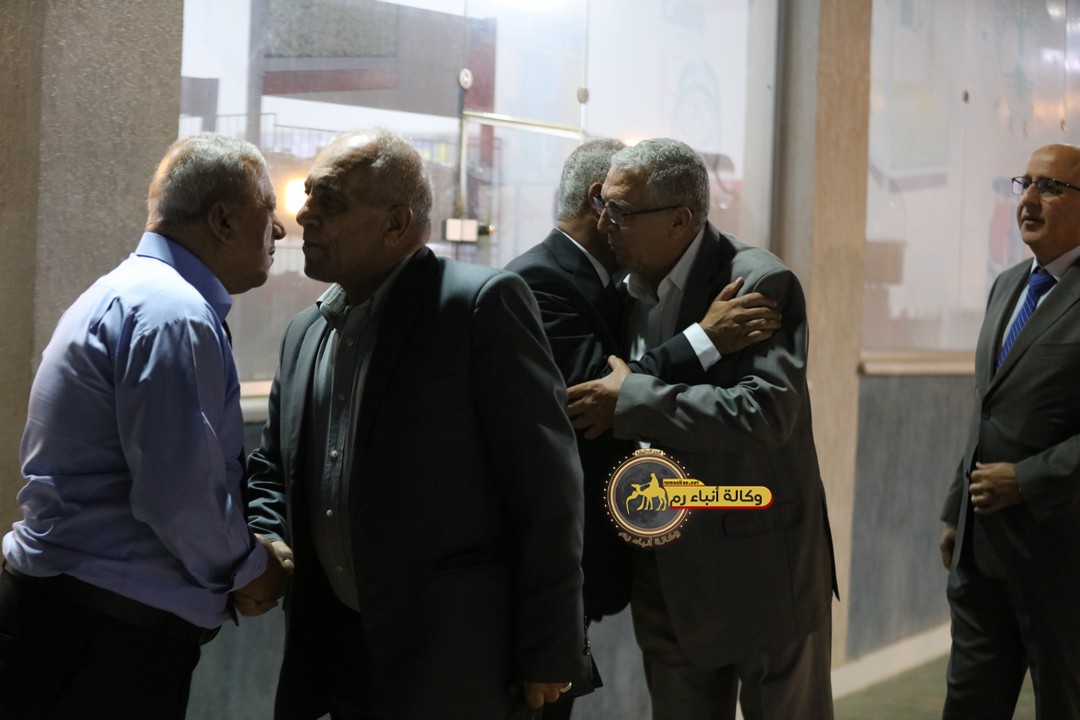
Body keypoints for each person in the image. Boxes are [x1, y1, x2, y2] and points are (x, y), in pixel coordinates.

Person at [245, 128, 589, 720]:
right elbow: (273, 466)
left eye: (330, 201)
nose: (304, 215)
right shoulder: (306, 332)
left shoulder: (478, 306)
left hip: (455, 659)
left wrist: (551, 646)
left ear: (396, 223)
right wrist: (269, 539)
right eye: (308, 195)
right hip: (339, 652)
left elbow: (547, 489)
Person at [0, 132, 293, 720]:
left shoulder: (130, 294)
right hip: (100, 643)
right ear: (223, 220)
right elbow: (178, 494)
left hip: (70, 625)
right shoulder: (173, 313)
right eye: (268, 210)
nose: (281, 231)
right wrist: (252, 570)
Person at [504, 138, 782, 718]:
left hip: (661, 548)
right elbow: (598, 398)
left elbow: (633, 386)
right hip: (550, 553)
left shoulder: (629, 284)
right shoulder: (538, 280)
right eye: (615, 207)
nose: (616, 224)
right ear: (598, 200)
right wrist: (704, 339)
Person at [565, 138, 837, 720]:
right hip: (666, 564)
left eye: (620, 211)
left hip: (762, 563)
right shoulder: (621, 289)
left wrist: (633, 398)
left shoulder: (756, 283)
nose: (603, 223)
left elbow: (764, 413)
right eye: (603, 205)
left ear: (680, 220)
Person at [939, 143, 1080, 719]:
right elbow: (987, 409)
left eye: (1050, 187)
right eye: (1024, 183)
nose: (1029, 199)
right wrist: (957, 510)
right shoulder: (1007, 286)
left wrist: (1025, 480)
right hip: (982, 554)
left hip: (1061, 560)